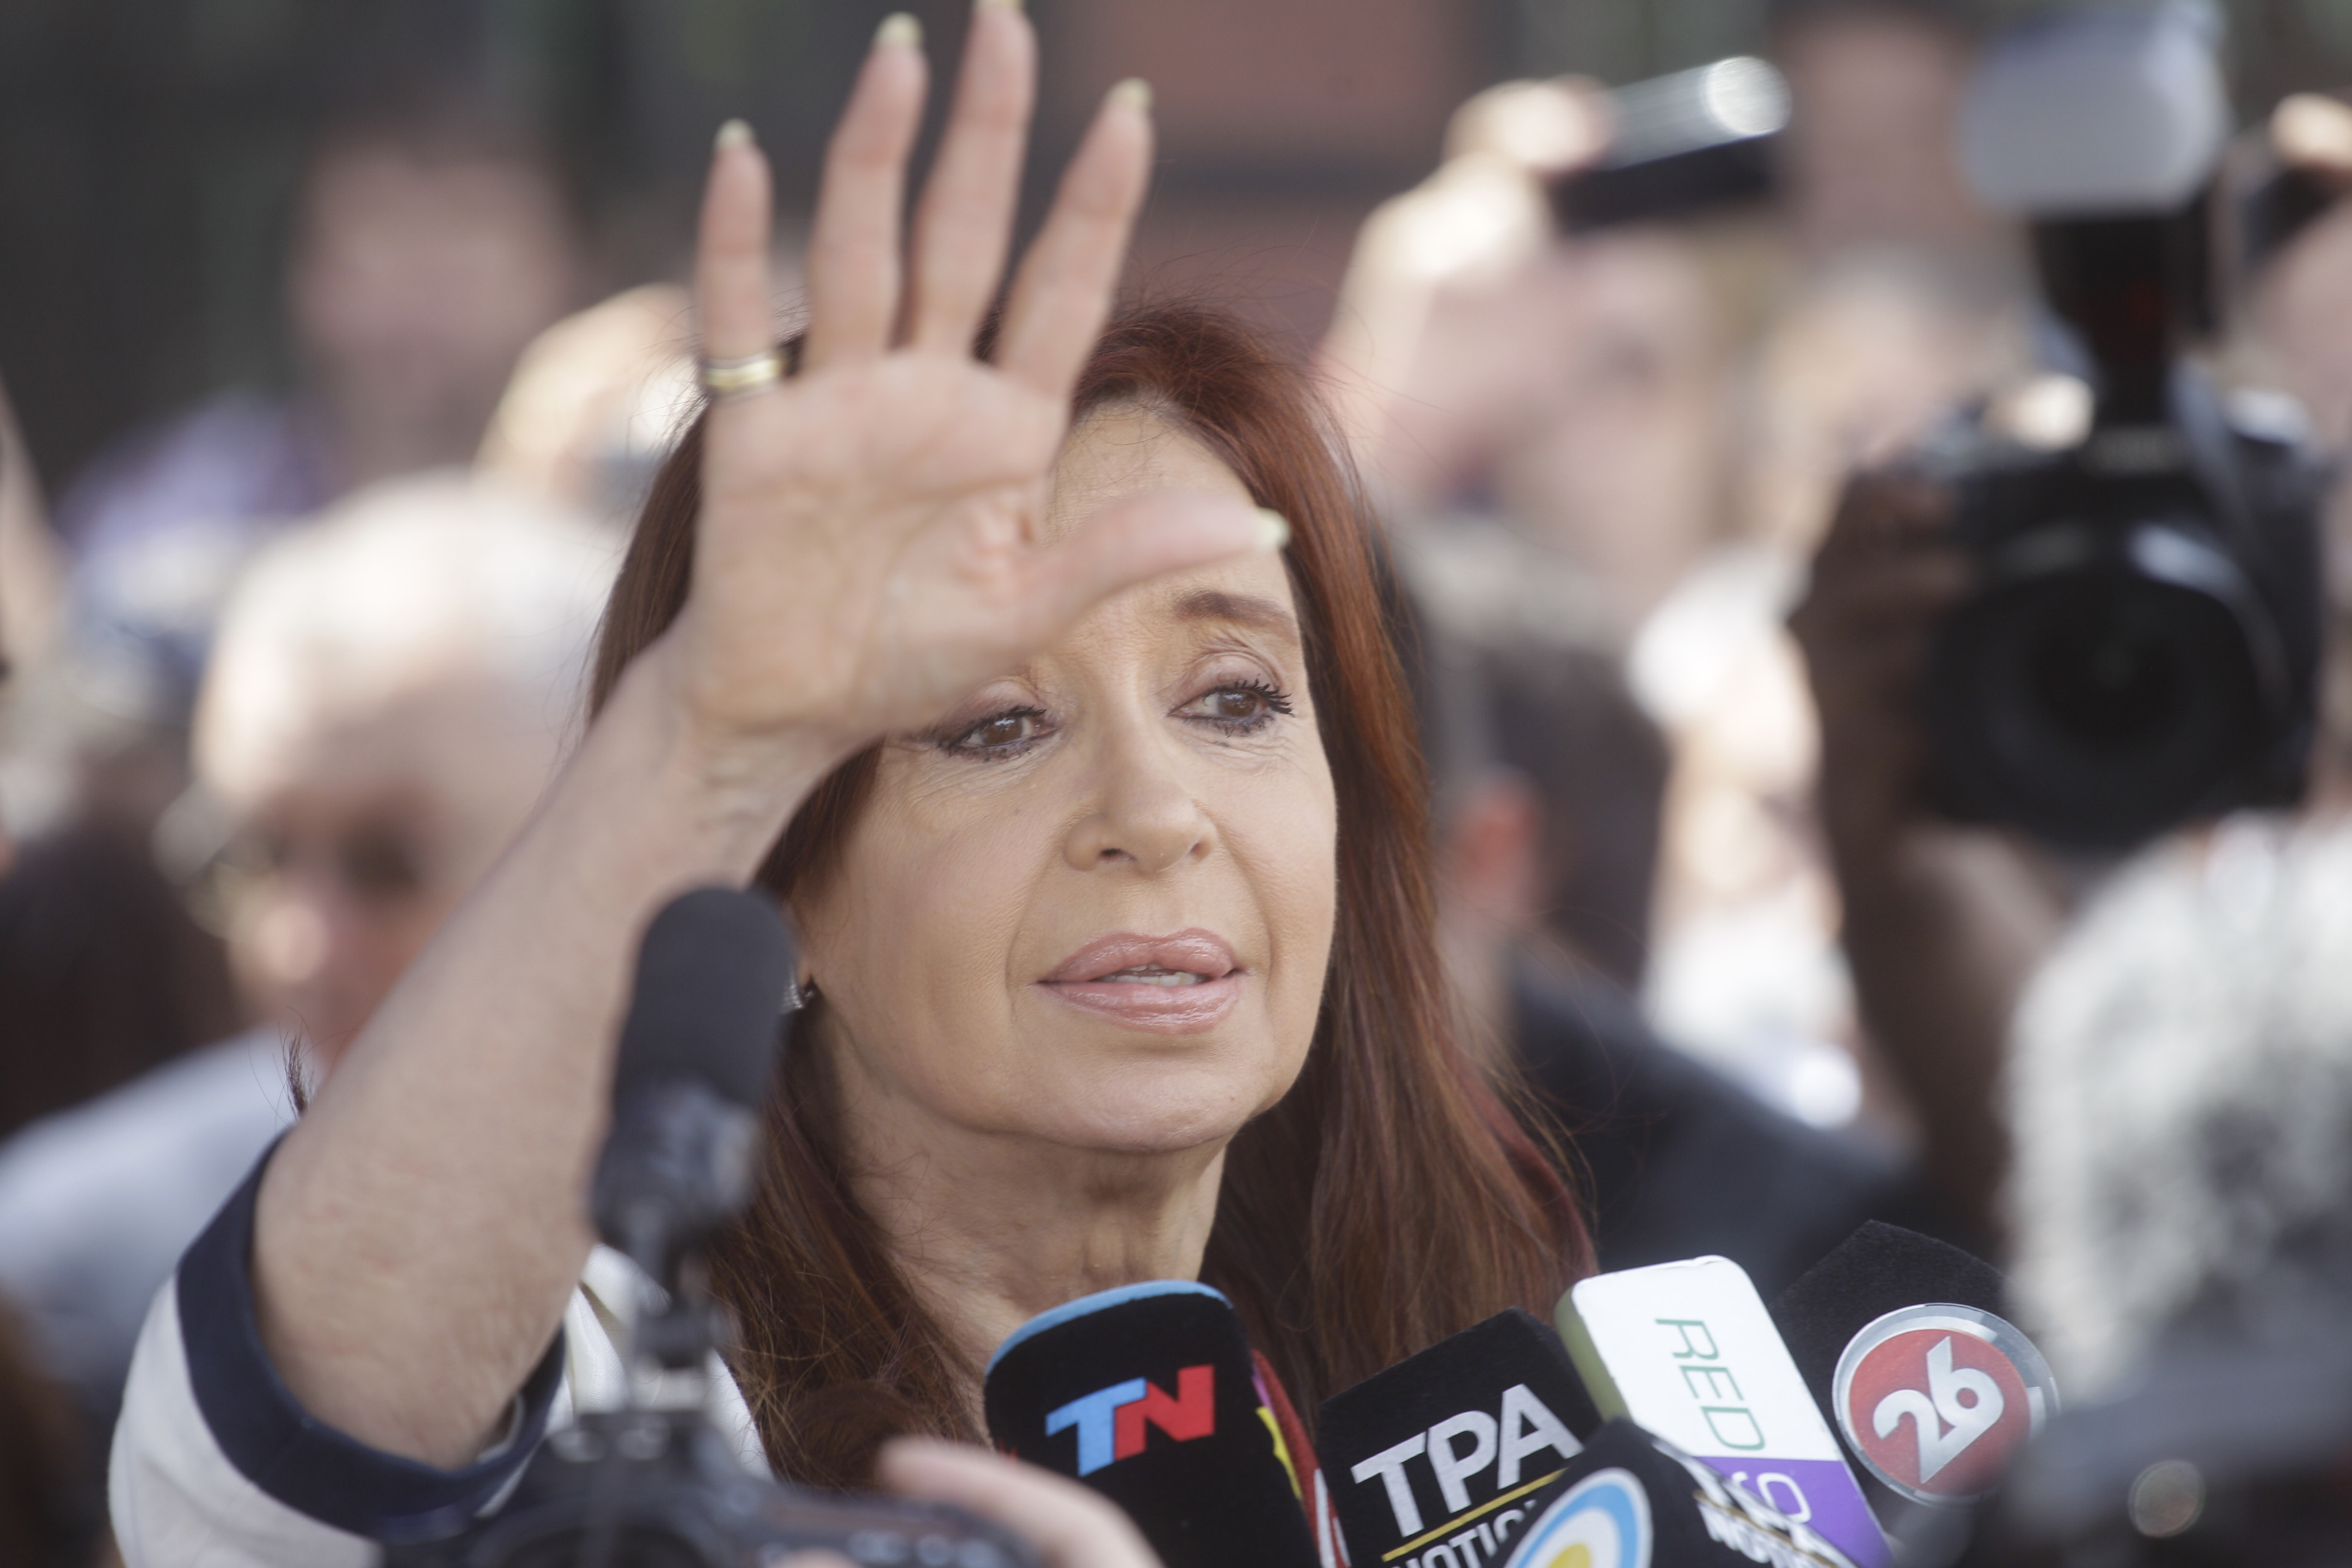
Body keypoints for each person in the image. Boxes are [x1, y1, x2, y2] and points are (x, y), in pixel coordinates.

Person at [109, 6, 1583, 1562]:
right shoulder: (633, 1424)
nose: (1155, 815)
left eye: (1233, 699)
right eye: (995, 723)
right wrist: (711, 739)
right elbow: (254, 1490)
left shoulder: (1485, 1413)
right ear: (781, 897)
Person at [0, 474, 611, 1464]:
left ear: (604, 842)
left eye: (387, 866)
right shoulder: (90, 1271)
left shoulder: (829, 1202)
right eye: (251, 855)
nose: (298, 944)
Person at [56, 83, 584, 724]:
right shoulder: (187, 496)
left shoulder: (631, 519)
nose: (421, 278)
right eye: (380, 227)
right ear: (304, 276)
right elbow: (73, 688)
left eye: (470, 227)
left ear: (567, 273)